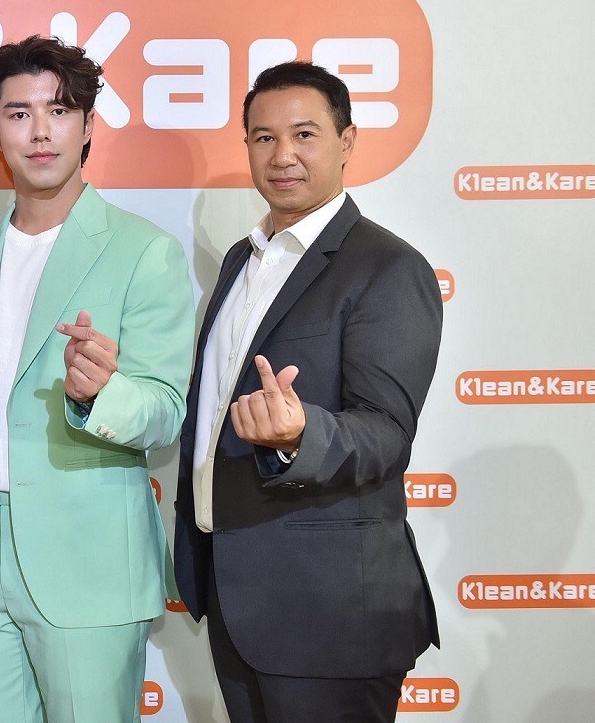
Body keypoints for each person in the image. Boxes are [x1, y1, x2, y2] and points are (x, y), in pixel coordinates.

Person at [0, 35, 194, 722]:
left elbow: (165, 411)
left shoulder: (144, 251)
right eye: (19, 113)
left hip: (89, 559)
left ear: (88, 125)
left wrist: (102, 393)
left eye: (59, 111)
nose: (40, 131)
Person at [172, 61, 442, 723]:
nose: (282, 155)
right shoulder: (241, 260)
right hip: (239, 595)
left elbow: (386, 432)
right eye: (263, 138)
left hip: (330, 614)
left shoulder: (387, 267)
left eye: (304, 134)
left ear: (346, 142)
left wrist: (300, 435)